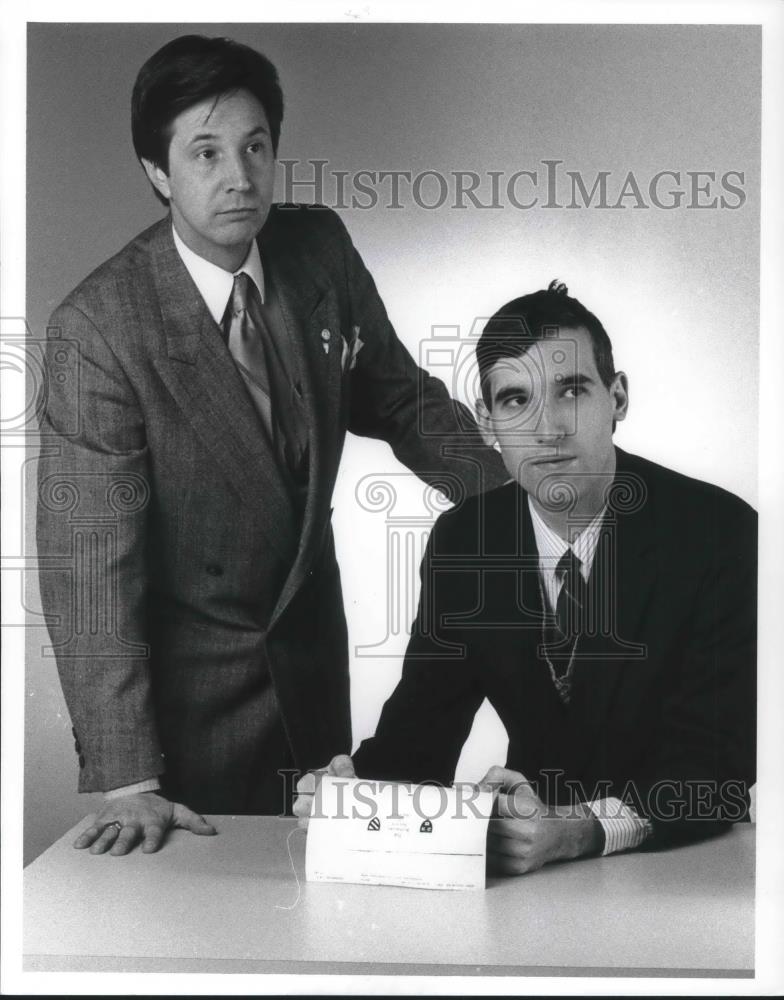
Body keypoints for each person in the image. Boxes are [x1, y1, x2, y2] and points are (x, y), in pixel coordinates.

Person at [36, 34, 507, 856]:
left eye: (256, 147)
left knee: (322, 906)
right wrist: (129, 780)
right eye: (206, 152)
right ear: (157, 171)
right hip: (190, 713)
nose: (240, 177)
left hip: (313, 672)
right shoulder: (99, 329)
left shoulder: (317, 249)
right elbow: (91, 571)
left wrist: (514, 510)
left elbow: (403, 402)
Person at [295, 280, 757, 875]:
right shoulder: (467, 541)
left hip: (689, 864)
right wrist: (352, 794)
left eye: (572, 390)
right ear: (487, 421)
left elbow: (719, 766)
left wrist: (586, 829)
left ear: (617, 398)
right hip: (534, 871)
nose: (548, 429)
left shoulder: (721, 533)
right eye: (516, 400)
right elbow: (421, 733)